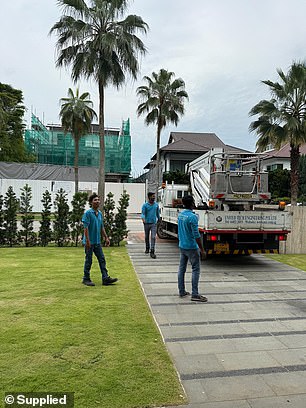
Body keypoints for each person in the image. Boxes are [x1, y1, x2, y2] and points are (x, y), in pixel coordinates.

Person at [82, 193, 118, 287]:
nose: (97, 201)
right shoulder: (88, 214)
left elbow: (101, 227)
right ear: (91, 202)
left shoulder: (100, 214)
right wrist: (88, 241)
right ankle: (86, 279)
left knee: (102, 259)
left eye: (98, 200)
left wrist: (106, 237)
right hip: (89, 242)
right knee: (88, 261)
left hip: (97, 242)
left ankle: (105, 278)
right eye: (95, 200)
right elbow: (85, 228)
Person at [177, 195, 207, 302]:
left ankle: (181, 290)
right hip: (191, 247)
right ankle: (195, 294)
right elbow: (196, 235)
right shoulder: (193, 217)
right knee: (195, 269)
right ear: (192, 203)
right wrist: (202, 249)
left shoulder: (180, 215)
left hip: (182, 246)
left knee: (181, 269)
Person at [141, 192, 160, 259]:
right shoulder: (145, 205)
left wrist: (159, 219)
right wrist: (143, 219)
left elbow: (158, 213)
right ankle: (147, 248)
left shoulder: (156, 205)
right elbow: (143, 213)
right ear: (149, 197)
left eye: (154, 196)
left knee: (153, 237)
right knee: (146, 237)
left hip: (154, 223)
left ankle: (152, 251)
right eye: (152, 196)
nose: (154, 198)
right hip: (146, 223)